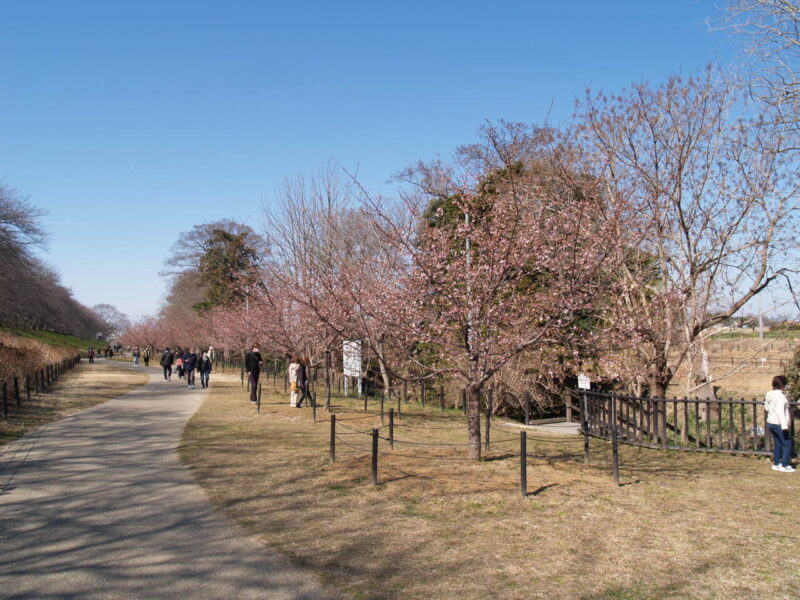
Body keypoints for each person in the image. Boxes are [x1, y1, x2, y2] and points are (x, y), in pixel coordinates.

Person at [765, 375, 794, 472]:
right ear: (783, 385)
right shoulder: (780, 397)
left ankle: (776, 463)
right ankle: (784, 465)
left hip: (771, 422)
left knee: (777, 443)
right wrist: (785, 426)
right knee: (787, 444)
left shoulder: (769, 394)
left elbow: (766, 408)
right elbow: (781, 412)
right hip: (779, 423)